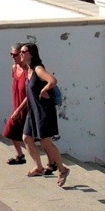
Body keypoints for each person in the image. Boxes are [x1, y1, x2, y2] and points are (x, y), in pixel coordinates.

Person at [18, 43, 70, 187]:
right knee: (27, 138)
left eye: (24, 51)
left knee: (46, 142)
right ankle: (39, 167)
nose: (21, 54)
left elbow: (53, 81)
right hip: (33, 111)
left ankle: (62, 169)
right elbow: (29, 94)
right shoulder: (28, 71)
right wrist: (18, 111)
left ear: (32, 53)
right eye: (20, 51)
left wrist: (44, 90)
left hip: (43, 112)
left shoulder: (38, 69)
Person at [3, 43, 29, 165]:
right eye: (11, 54)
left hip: (26, 108)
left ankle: (52, 163)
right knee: (11, 130)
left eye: (15, 54)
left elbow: (30, 94)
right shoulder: (14, 68)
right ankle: (20, 155)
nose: (13, 57)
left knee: (32, 138)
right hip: (17, 106)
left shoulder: (29, 71)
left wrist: (19, 110)